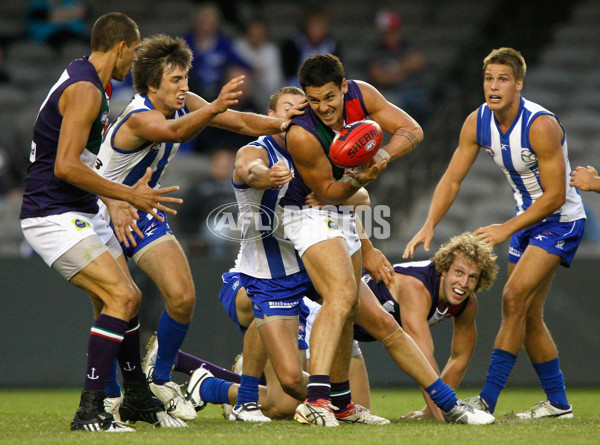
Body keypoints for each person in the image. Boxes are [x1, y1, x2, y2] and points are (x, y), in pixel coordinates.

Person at [94, 34, 302, 423]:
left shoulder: (185, 104)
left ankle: (159, 379)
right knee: (114, 308)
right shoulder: (139, 115)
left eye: (186, 78)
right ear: (152, 84)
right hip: (101, 211)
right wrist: (214, 108)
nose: (185, 87)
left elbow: (238, 121)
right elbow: (175, 133)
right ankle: (106, 398)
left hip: (140, 208)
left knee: (183, 296)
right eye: (176, 80)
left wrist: (281, 123)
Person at [280, 53, 494, 426]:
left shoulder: (362, 94)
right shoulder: (301, 132)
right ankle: (316, 401)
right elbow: (327, 191)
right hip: (306, 211)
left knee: (382, 324)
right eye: (314, 100)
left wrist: (381, 155)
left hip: (343, 212)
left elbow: (412, 130)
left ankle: (444, 405)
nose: (323, 108)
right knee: (342, 297)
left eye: (329, 97)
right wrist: (360, 179)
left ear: (344, 87)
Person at [19, 12, 185, 432]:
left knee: (125, 297)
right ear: (122, 47)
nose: (134, 60)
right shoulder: (86, 90)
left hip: (80, 207)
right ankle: (91, 409)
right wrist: (127, 195)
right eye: (134, 50)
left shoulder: (92, 82)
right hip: (52, 212)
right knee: (120, 297)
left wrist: (108, 201)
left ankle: (137, 398)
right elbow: (65, 165)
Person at [404, 47, 586, 419]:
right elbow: (453, 178)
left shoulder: (540, 125)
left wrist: (506, 229)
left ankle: (486, 400)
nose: (494, 86)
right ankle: (559, 404)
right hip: (526, 221)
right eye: (489, 79)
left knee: (513, 298)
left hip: (561, 220)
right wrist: (429, 223)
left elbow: (554, 196)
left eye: (503, 79)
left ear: (518, 83)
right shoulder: (477, 122)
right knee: (529, 313)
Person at [357, 232, 498, 420]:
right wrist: (446, 415)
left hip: (351, 339)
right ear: (444, 269)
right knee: (305, 390)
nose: (463, 283)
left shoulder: (467, 304)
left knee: (357, 413)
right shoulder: (416, 287)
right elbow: (422, 357)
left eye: (472, 277)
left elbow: (460, 357)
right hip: (328, 321)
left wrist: (430, 412)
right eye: (459, 272)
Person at [365, 9, 431, 124]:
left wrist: (395, 71)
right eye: (388, 32)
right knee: (388, 104)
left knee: (423, 102)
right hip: (391, 94)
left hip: (415, 91)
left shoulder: (409, 45)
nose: (392, 36)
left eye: (394, 31)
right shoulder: (376, 51)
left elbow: (419, 61)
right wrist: (406, 68)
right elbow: (380, 78)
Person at [183, 2, 251, 102]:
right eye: (203, 21)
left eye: (210, 21)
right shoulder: (186, 41)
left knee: (238, 74)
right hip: (193, 86)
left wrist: (251, 69)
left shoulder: (223, 42)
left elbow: (240, 62)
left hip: (218, 86)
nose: (206, 25)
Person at [280, 8, 341, 87]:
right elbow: (289, 74)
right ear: (306, 26)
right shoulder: (293, 44)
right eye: (313, 26)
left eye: (320, 26)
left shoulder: (332, 45)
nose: (316, 31)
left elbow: (337, 73)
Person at [234, 17, 284, 112]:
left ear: (265, 34)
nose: (255, 36)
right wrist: (252, 71)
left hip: (264, 91)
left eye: (259, 34)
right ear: (247, 33)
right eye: (252, 33)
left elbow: (274, 82)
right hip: (242, 91)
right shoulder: (238, 46)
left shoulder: (271, 51)